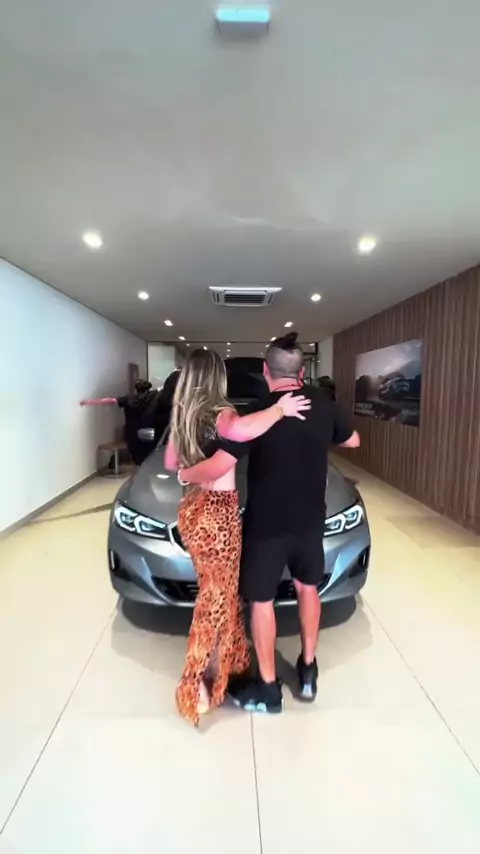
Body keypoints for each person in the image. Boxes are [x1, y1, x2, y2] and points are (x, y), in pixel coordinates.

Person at [179, 333, 359, 714]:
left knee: (262, 602)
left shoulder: (258, 414)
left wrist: (185, 473)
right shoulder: (323, 404)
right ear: (302, 372)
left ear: (266, 371)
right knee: (308, 588)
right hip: (310, 520)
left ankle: (268, 688)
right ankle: (307, 670)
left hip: (266, 526)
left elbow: (222, 463)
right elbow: (353, 440)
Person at [164, 348, 311, 726]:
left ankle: (225, 669)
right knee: (214, 602)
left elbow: (170, 461)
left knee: (223, 596)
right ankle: (195, 685)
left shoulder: (182, 416)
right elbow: (241, 430)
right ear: (218, 377)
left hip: (192, 512)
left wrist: (184, 472)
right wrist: (280, 409)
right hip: (218, 517)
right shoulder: (221, 414)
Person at [80, 379, 158, 465]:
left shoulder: (129, 399)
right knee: (149, 456)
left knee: (137, 458)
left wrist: (89, 402)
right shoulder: (154, 397)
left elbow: (109, 401)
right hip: (149, 431)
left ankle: (139, 469)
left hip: (132, 433)